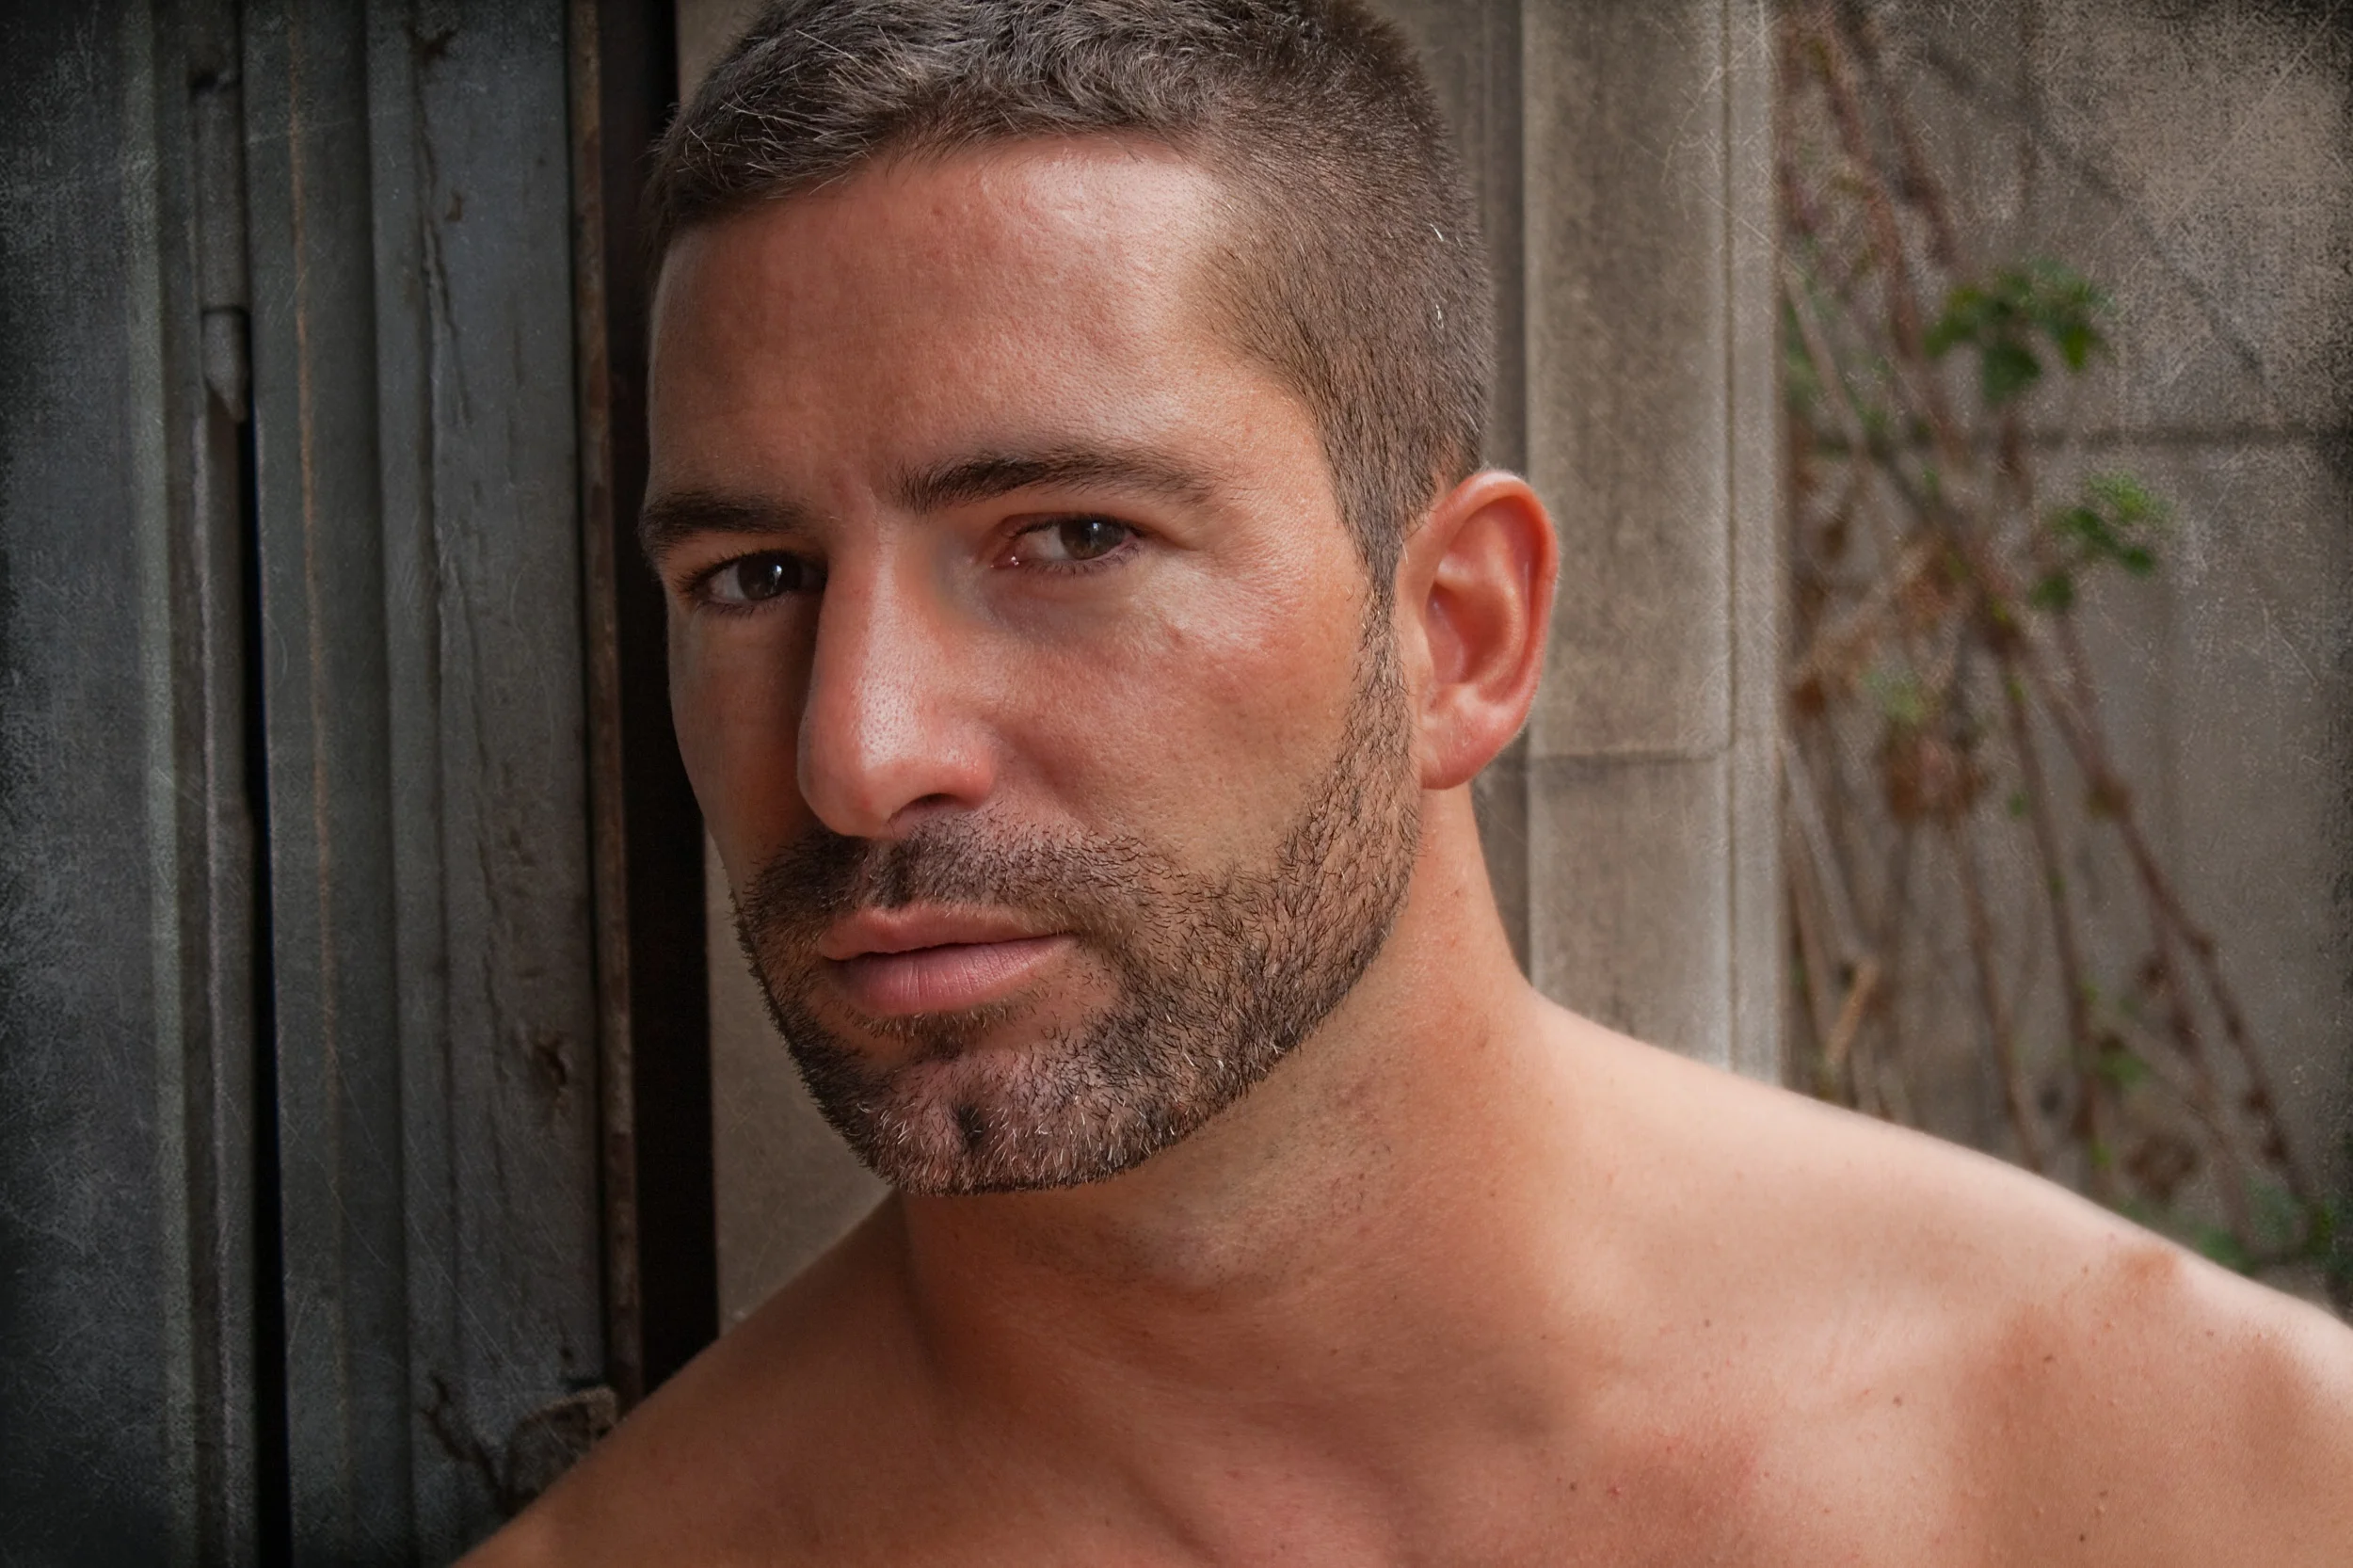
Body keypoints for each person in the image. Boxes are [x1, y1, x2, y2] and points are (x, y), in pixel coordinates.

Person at [472, 2, 2353, 1560]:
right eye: (752, 579)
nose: (856, 751)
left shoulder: (2194, 1475)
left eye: (1066, 537)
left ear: (1455, 629)